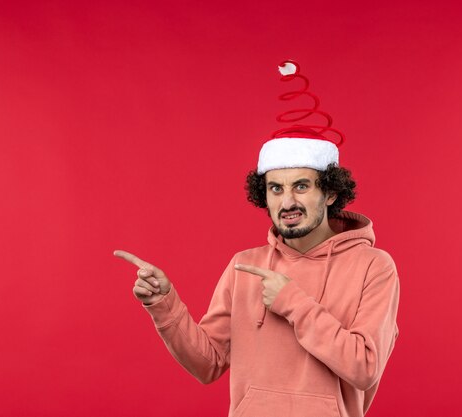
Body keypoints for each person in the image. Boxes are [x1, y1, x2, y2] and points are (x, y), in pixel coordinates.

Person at [114, 61, 400, 417]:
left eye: (301, 186)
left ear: (329, 193)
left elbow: (364, 368)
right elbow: (208, 364)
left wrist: (293, 302)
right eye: (275, 189)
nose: (287, 202)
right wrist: (164, 303)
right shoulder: (244, 266)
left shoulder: (373, 266)